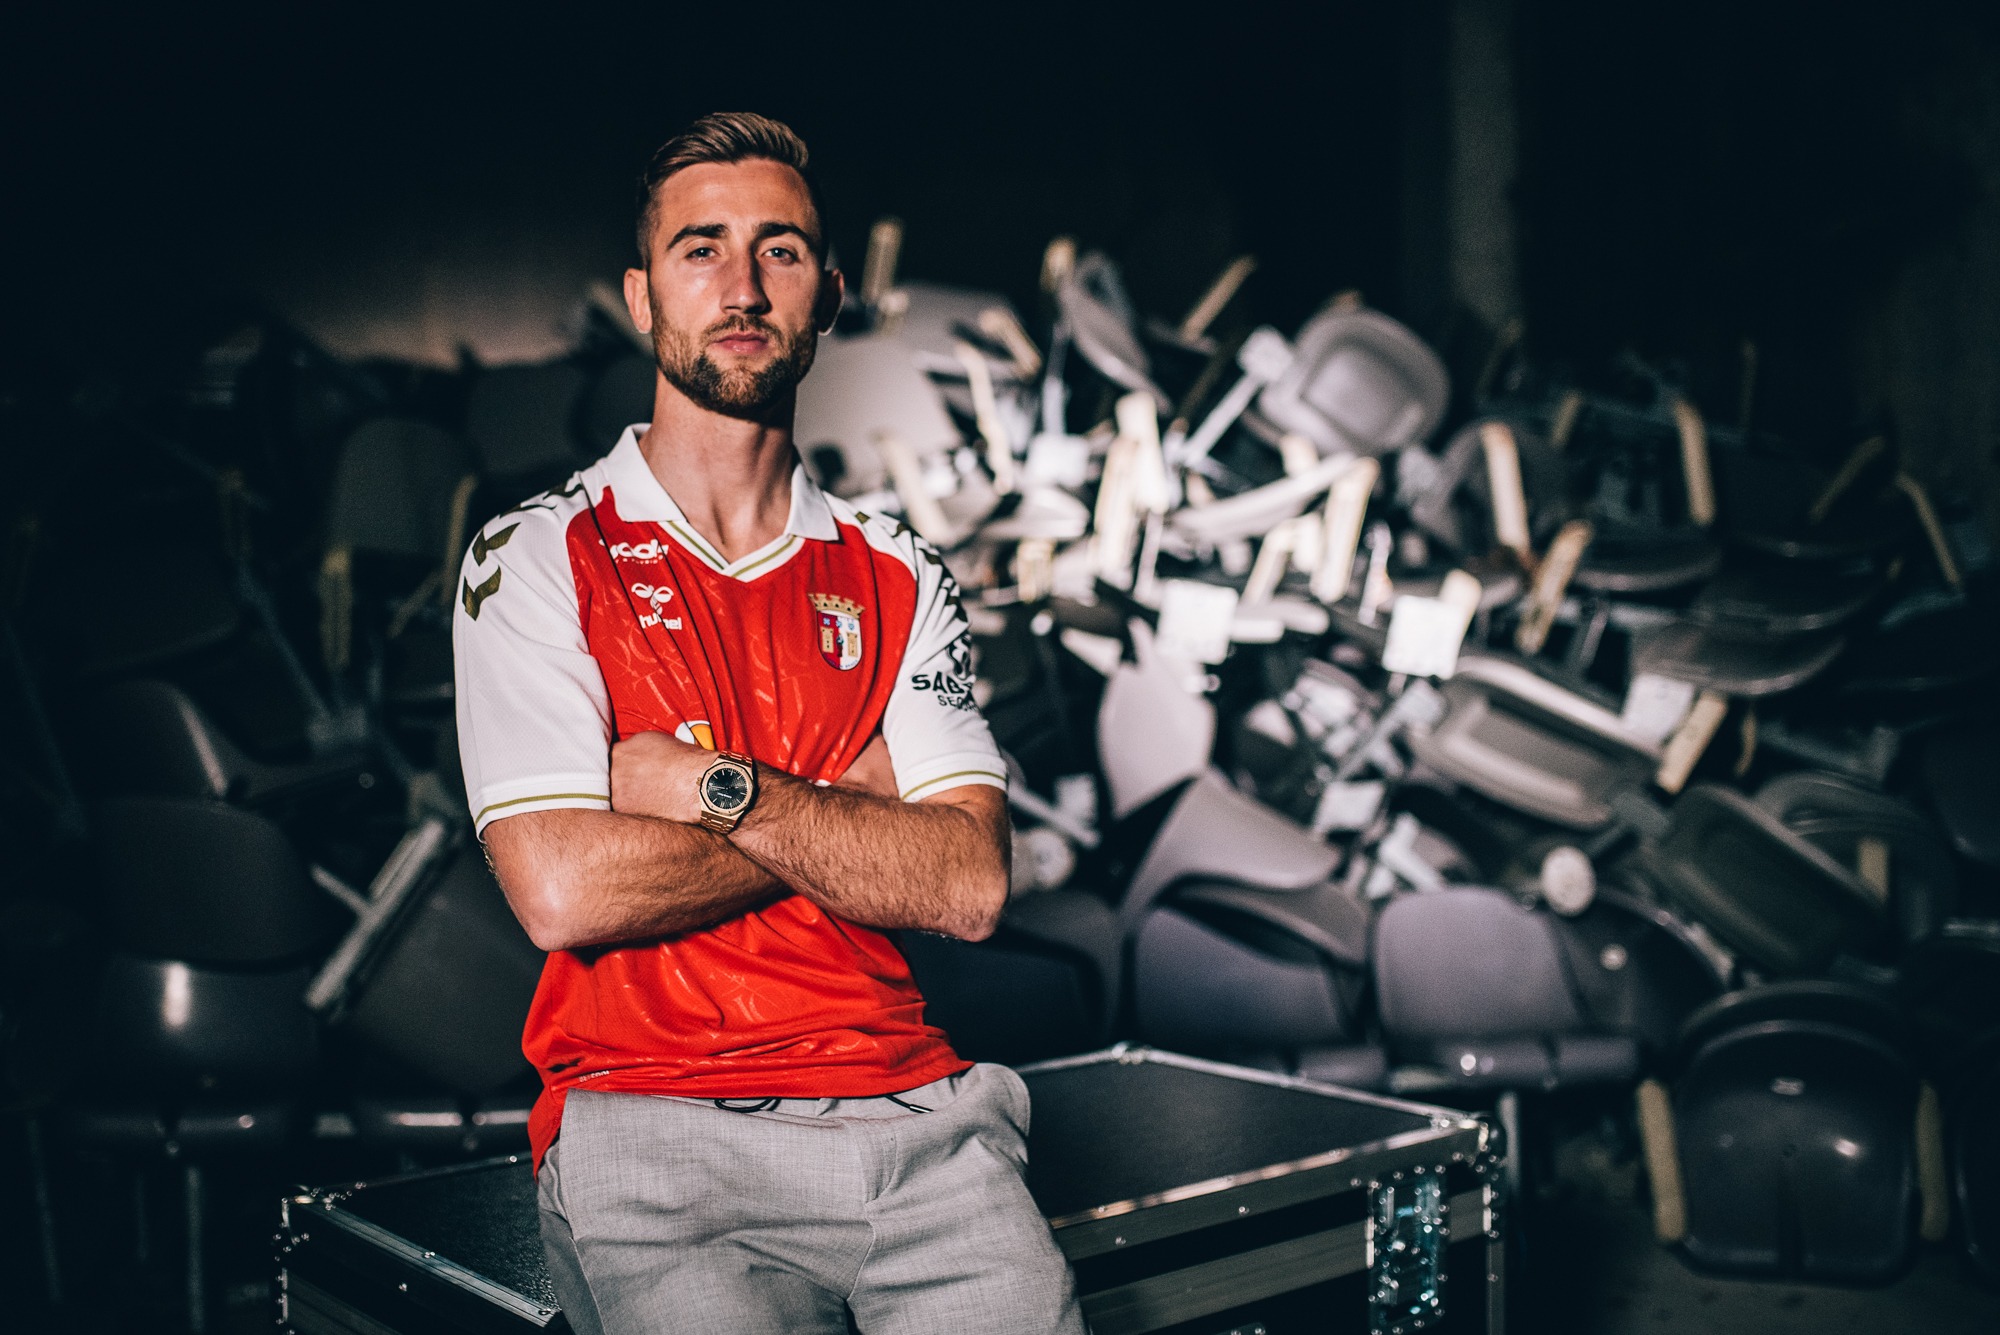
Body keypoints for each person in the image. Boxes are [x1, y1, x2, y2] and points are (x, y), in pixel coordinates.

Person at [452, 112, 1084, 1334]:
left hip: (922, 1121)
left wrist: (715, 790)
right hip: (656, 1126)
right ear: (641, 297)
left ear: (829, 295)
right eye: (700, 249)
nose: (740, 286)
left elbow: (964, 885)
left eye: (779, 251)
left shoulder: (898, 571)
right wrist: (850, 808)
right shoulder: (534, 555)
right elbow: (563, 891)